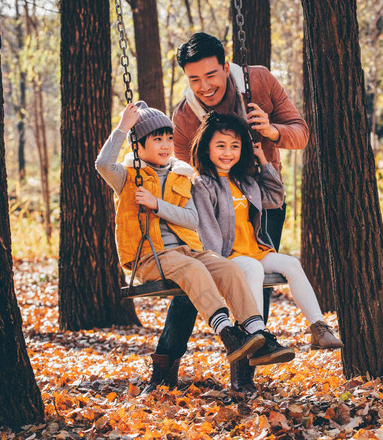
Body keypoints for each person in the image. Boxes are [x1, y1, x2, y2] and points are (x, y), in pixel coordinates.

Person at [95, 101, 294, 394]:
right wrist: (124, 127)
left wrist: (157, 205)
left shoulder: (180, 175)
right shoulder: (126, 175)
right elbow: (102, 164)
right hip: (150, 256)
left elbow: (191, 219)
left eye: (169, 138)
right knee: (194, 269)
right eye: (157, 139)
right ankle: (227, 333)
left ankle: (253, 332)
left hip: (186, 250)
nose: (165, 145)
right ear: (137, 146)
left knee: (226, 267)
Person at [153, 32, 310, 394]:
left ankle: (245, 375)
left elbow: (301, 133)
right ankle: (163, 370)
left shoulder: (259, 81)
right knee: (191, 282)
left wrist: (271, 130)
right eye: (194, 79)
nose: (204, 86)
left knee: (256, 281)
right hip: (209, 210)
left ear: (226, 67)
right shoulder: (185, 116)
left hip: (261, 202)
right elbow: (178, 172)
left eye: (211, 75)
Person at [191, 112, 344, 358]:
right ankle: (256, 335)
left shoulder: (245, 181)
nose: (227, 152)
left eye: (234, 146)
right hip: (226, 257)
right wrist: (217, 264)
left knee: (291, 264)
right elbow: (206, 228)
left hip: (255, 249)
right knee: (253, 268)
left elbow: (275, 198)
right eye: (220, 146)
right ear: (206, 148)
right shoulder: (203, 184)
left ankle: (319, 328)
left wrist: (264, 162)